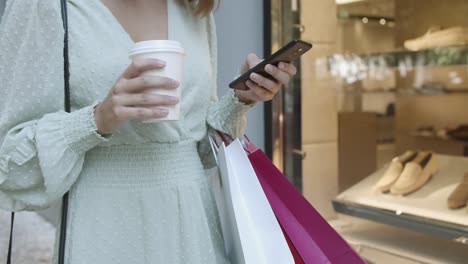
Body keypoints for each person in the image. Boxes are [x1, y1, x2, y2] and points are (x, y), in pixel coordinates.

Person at [0, 0, 297, 263]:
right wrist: (97, 119)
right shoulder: (43, 5)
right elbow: (11, 166)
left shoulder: (194, 6)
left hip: (195, 230)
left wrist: (241, 98)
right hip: (104, 227)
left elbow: (197, 150)